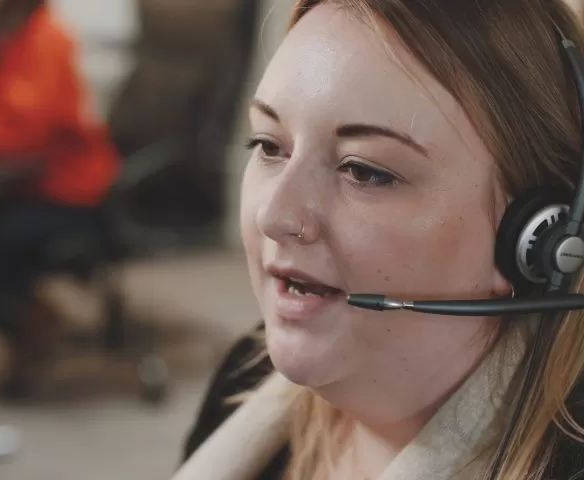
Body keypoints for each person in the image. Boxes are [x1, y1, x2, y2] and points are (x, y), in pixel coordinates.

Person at [182, 0, 584, 478]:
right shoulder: (244, 375)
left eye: (365, 172)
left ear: (538, 240)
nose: (275, 215)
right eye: (269, 146)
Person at [0, 0, 119, 395]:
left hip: (70, 197)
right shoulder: (3, 29)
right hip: (27, 188)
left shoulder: (46, 35)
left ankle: (32, 326)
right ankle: (31, 321)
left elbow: (20, 132)